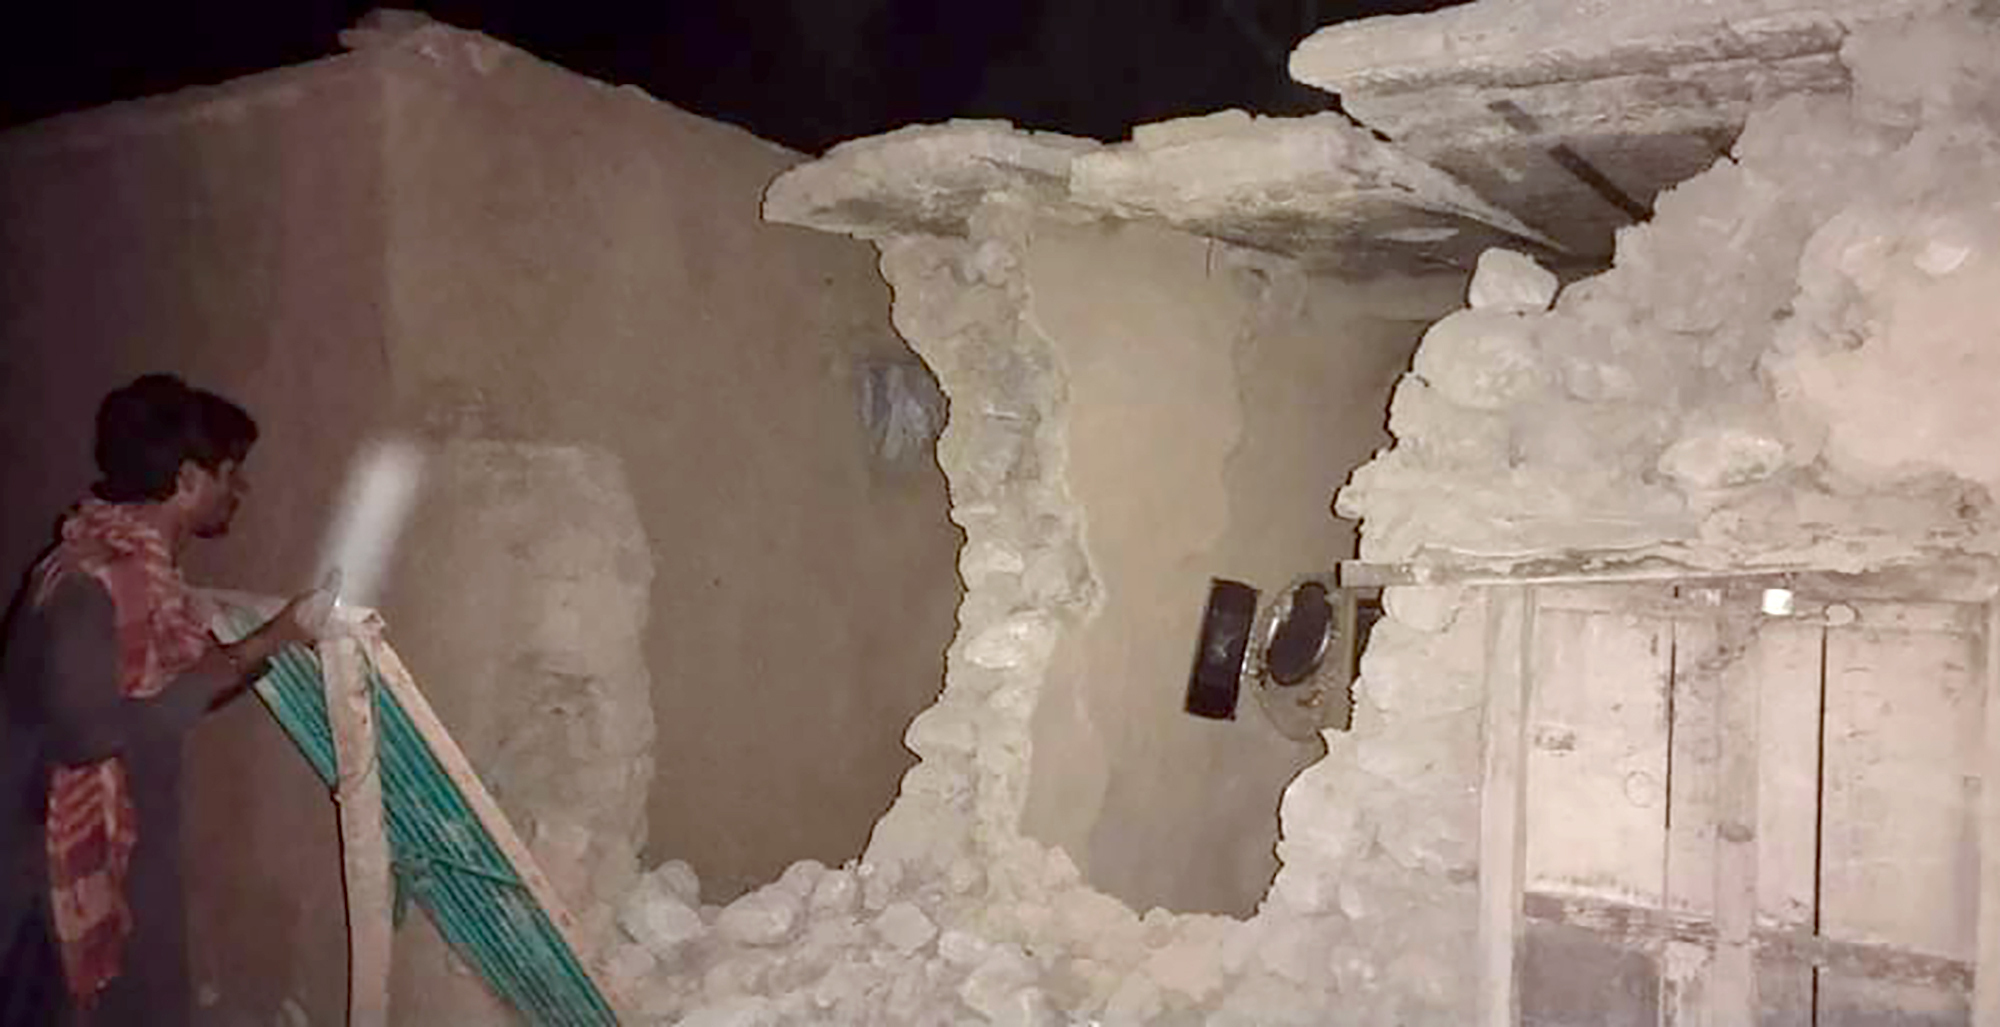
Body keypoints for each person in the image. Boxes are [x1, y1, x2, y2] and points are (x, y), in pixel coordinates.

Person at [0, 375, 333, 1027]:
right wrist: (263, 641)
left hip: (113, 853)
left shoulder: (146, 583)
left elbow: (173, 692)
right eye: (231, 474)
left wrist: (268, 650)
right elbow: (88, 735)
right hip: (44, 871)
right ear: (187, 480)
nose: (241, 491)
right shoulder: (89, 583)